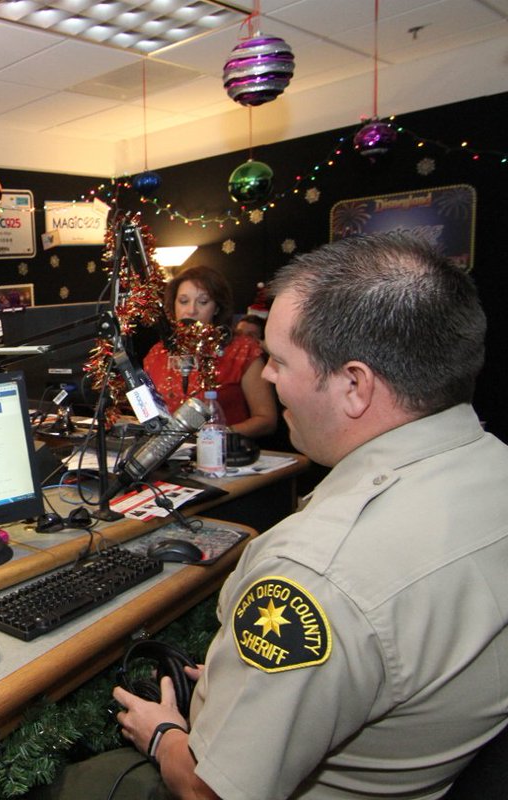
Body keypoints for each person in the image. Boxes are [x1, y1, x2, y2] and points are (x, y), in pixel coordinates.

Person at [36, 232, 508, 799]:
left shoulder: (315, 574)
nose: (267, 377)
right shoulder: (492, 467)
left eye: (279, 361)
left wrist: (162, 736)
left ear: (354, 384)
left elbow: (208, 791)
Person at [141, 265, 276, 438]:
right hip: (166, 450)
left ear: (217, 308)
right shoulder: (157, 352)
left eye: (203, 302)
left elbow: (266, 420)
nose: (191, 310)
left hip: (222, 449)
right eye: (183, 301)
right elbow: (147, 413)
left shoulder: (242, 349)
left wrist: (215, 436)